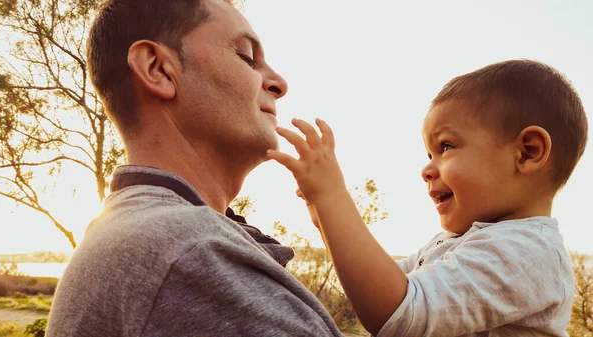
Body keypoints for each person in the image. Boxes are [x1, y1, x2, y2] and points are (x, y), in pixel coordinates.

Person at [46, 0, 344, 336]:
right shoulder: (187, 250)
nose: (279, 83)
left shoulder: (141, 235)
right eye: (246, 56)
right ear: (158, 69)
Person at [268, 59, 587, 336]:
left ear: (527, 152)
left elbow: (397, 312)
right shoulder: (457, 242)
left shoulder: (529, 253)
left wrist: (333, 198)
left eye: (446, 147)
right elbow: (381, 285)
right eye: (430, 153)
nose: (427, 169)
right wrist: (328, 222)